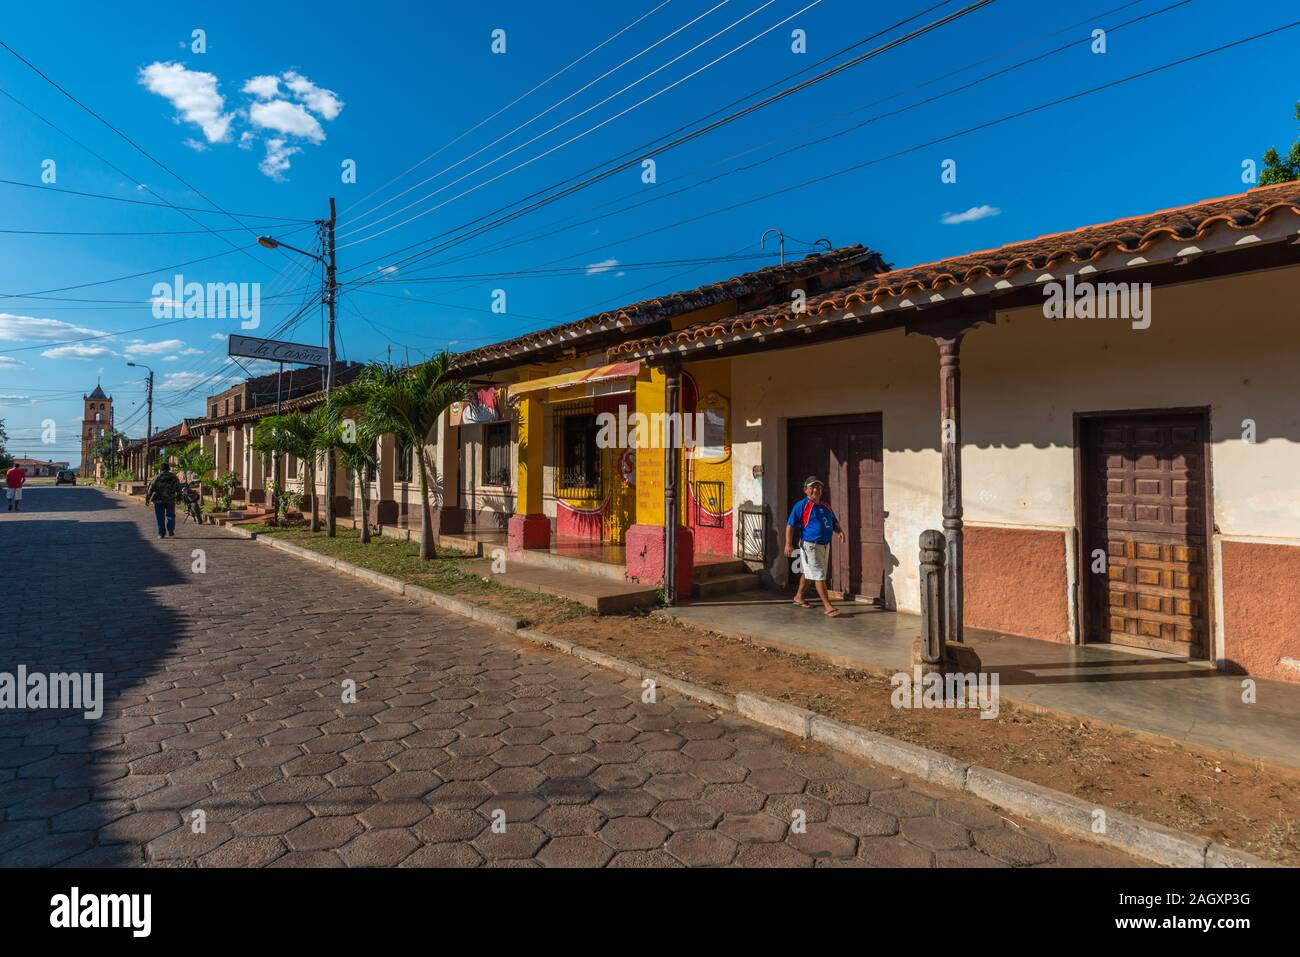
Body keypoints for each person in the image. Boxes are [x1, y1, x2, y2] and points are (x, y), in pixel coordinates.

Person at [784, 475, 847, 617]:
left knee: (809, 573)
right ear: (805, 490)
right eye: (812, 487)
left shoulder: (825, 506)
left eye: (818, 487)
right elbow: (790, 525)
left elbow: (833, 521)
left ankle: (799, 597)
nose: (815, 489)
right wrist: (788, 544)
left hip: (824, 545)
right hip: (810, 546)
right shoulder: (801, 506)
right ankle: (828, 606)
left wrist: (839, 531)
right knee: (819, 575)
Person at [145, 461, 181, 539]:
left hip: (158, 500)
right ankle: (171, 529)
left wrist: (147, 499)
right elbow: (178, 488)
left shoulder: (156, 477)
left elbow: (150, 489)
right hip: (170, 499)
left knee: (160, 517)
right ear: (169, 469)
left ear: (161, 469)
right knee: (171, 515)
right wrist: (179, 497)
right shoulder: (174, 477)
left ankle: (161, 533)